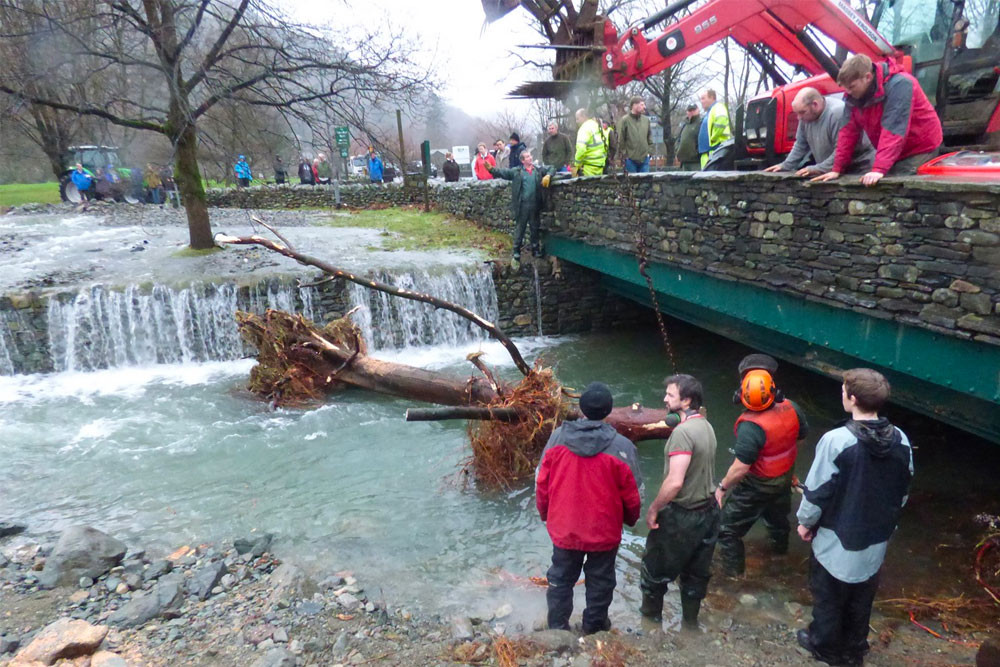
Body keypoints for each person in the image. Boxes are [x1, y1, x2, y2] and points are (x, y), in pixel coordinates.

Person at [796, 369, 913, 666]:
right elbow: (903, 488)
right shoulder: (901, 439)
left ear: (852, 398)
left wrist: (805, 523)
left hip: (838, 535)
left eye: (844, 390)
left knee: (828, 595)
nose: (842, 394)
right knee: (862, 596)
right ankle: (854, 648)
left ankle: (823, 646)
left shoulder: (836, 440)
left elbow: (817, 491)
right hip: (876, 537)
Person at [535, 382, 642, 634]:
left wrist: (545, 514)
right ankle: (594, 627)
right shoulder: (623, 447)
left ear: (580, 409)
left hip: (564, 527)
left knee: (560, 578)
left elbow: (542, 482)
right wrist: (629, 520)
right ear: (609, 411)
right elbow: (634, 495)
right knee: (601, 581)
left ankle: (558, 627)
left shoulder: (557, 438)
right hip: (603, 531)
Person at [715, 354, 809, 577]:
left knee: (726, 530)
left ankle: (733, 576)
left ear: (742, 396)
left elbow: (740, 468)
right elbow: (800, 438)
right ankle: (779, 557)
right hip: (784, 477)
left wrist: (721, 487)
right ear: (774, 391)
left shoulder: (751, 427)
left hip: (757, 485)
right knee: (777, 520)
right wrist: (789, 468)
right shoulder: (792, 408)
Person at [640, 373, 719, 629]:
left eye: (670, 395)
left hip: (682, 516)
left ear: (686, 401)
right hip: (709, 512)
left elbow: (675, 482)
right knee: (696, 574)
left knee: (654, 573)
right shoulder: (706, 425)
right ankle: (690, 626)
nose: (664, 399)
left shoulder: (682, 433)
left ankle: (650, 627)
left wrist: (654, 508)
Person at [812, 54, 942, 186]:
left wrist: (879, 168)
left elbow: (893, 129)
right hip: (895, 148)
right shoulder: (855, 95)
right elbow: (847, 132)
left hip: (920, 147)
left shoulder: (901, 85)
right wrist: (837, 169)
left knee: (898, 186)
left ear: (868, 77)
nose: (848, 92)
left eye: (851, 87)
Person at [763, 88, 874, 177]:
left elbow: (843, 150)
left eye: (802, 112)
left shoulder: (837, 113)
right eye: (796, 113)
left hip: (859, 170)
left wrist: (817, 168)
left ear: (815, 105)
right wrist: (785, 165)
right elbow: (800, 145)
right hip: (833, 171)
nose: (799, 118)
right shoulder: (805, 118)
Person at [485, 148, 553, 266]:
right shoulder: (517, 172)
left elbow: (552, 168)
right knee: (520, 229)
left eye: (530, 156)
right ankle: (516, 251)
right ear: (522, 160)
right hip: (522, 205)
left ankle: (535, 250)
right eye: (527, 157)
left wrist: (548, 175)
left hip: (535, 204)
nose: (530, 158)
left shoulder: (537, 170)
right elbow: (503, 172)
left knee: (534, 228)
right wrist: (492, 170)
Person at [617, 96, 652, 173]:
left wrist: (649, 152)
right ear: (634, 105)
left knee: (646, 183)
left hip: (644, 159)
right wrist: (624, 155)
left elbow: (649, 137)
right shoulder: (625, 120)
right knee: (632, 183)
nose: (644, 107)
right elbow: (621, 139)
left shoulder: (646, 120)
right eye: (642, 105)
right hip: (630, 160)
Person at [698, 89, 732, 168]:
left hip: (715, 151)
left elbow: (721, 121)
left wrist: (714, 138)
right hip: (708, 152)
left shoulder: (718, 107)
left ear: (712, 98)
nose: (701, 101)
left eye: (703, 98)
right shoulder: (710, 112)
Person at [572, 108, 606, 177]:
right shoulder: (595, 125)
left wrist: (576, 165)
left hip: (589, 167)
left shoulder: (584, 129)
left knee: (588, 186)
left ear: (583, 116)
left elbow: (581, 149)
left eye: (577, 119)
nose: (576, 121)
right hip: (600, 165)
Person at [676, 104, 702, 171]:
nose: (692, 112)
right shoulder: (684, 125)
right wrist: (677, 150)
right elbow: (678, 140)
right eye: (690, 110)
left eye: (694, 110)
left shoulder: (701, 123)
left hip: (696, 162)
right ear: (687, 112)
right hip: (684, 162)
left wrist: (697, 153)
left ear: (698, 110)